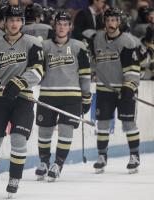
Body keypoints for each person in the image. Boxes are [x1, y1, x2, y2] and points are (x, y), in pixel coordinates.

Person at [0, 4, 44, 197]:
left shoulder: (33, 43)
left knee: (18, 139)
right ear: (5, 22)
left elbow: (38, 71)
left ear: (22, 22)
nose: (14, 24)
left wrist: (21, 81)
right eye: (11, 20)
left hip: (22, 98)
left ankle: (14, 178)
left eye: (18, 20)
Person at [35, 10, 91, 182]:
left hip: (71, 97)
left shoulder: (78, 47)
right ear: (54, 25)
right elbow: (36, 70)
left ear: (70, 27)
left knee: (66, 131)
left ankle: (58, 164)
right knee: (44, 132)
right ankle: (44, 162)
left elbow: (85, 74)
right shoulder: (43, 46)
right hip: (47, 94)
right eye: (59, 24)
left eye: (65, 24)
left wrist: (87, 97)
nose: (61, 27)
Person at [92, 7, 141, 174]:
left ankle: (134, 155)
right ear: (104, 22)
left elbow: (134, 68)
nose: (110, 23)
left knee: (128, 123)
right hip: (104, 89)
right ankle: (101, 156)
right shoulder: (98, 38)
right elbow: (92, 58)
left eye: (114, 20)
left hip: (124, 89)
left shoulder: (127, 41)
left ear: (119, 22)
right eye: (108, 20)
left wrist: (129, 87)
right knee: (103, 124)